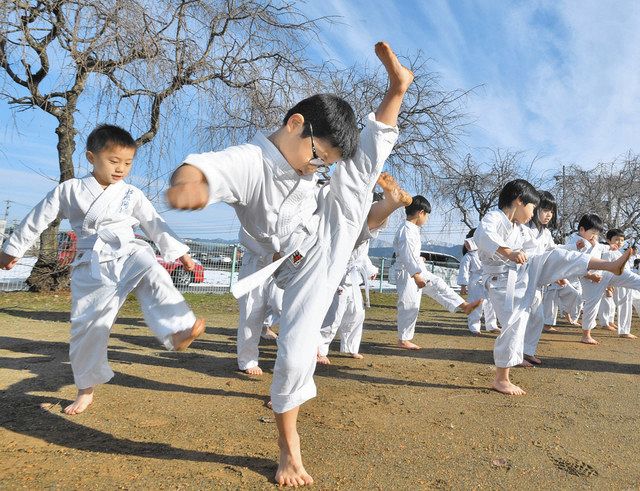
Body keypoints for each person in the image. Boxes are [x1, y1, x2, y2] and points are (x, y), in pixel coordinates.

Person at [166, 41, 412, 487]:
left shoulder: (314, 173)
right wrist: (190, 187)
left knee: (358, 177)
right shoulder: (251, 161)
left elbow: (341, 173)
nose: (317, 166)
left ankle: (397, 90)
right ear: (296, 124)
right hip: (292, 266)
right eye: (318, 156)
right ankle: (288, 450)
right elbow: (201, 168)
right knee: (296, 349)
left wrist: (327, 169)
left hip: (326, 238)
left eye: (325, 163)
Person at [0, 125, 205, 415]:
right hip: (92, 265)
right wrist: (13, 248)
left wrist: (182, 254)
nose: (121, 169)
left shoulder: (131, 194)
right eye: (114, 161)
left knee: (152, 269)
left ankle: (176, 330)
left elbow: (154, 222)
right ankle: (86, 390)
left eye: (128, 163)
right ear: (91, 157)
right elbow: (37, 218)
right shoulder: (69, 190)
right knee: (88, 329)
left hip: (128, 250)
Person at [474, 179, 633, 395]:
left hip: (526, 270)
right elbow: (481, 235)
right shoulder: (494, 218)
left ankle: (609, 266)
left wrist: (569, 250)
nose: (533, 213)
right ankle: (501, 379)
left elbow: (545, 249)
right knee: (515, 323)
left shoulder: (519, 228)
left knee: (558, 255)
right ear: (520, 201)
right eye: (533, 207)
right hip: (502, 279)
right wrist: (507, 252)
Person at [392, 195, 482, 350]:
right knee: (409, 304)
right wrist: (416, 275)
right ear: (421, 212)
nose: (426, 219)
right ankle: (403, 339)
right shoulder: (407, 229)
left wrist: (418, 261)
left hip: (416, 268)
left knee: (438, 284)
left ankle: (464, 305)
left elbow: (409, 253)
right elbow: (406, 254)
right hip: (409, 273)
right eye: (427, 215)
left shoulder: (411, 229)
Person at [567, 216, 640, 344]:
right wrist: (589, 276)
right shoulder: (576, 243)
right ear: (582, 230)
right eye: (593, 233)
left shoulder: (591, 240)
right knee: (592, 305)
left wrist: (610, 247)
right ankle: (586, 335)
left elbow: (600, 247)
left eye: (597, 233)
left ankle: (620, 269)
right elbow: (575, 265)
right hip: (591, 278)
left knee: (630, 277)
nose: (595, 236)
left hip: (605, 272)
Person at [316, 228, 379, 364]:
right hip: (337, 275)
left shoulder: (366, 233)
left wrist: (370, 269)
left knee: (356, 313)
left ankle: (351, 346)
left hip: (352, 278)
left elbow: (362, 255)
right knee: (333, 315)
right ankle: (319, 350)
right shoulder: (350, 226)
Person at [521, 191, 558, 365]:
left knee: (538, 317)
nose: (549, 214)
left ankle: (527, 351)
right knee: (521, 317)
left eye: (551, 210)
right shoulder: (524, 228)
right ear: (534, 208)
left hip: (536, 282)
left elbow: (553, 252)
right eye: (545, 209)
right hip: (521, 280)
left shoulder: (546, 234)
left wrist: (559, 273)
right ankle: (516, 353)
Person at [457, 228, 500, 336]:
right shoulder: (468, 257)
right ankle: (474, 327)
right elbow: (464, 271)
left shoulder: (486, 252)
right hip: (475, 283)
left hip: (488, 281)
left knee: (490, 304)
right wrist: (463, 285)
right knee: (477, 304)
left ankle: (492, 325)